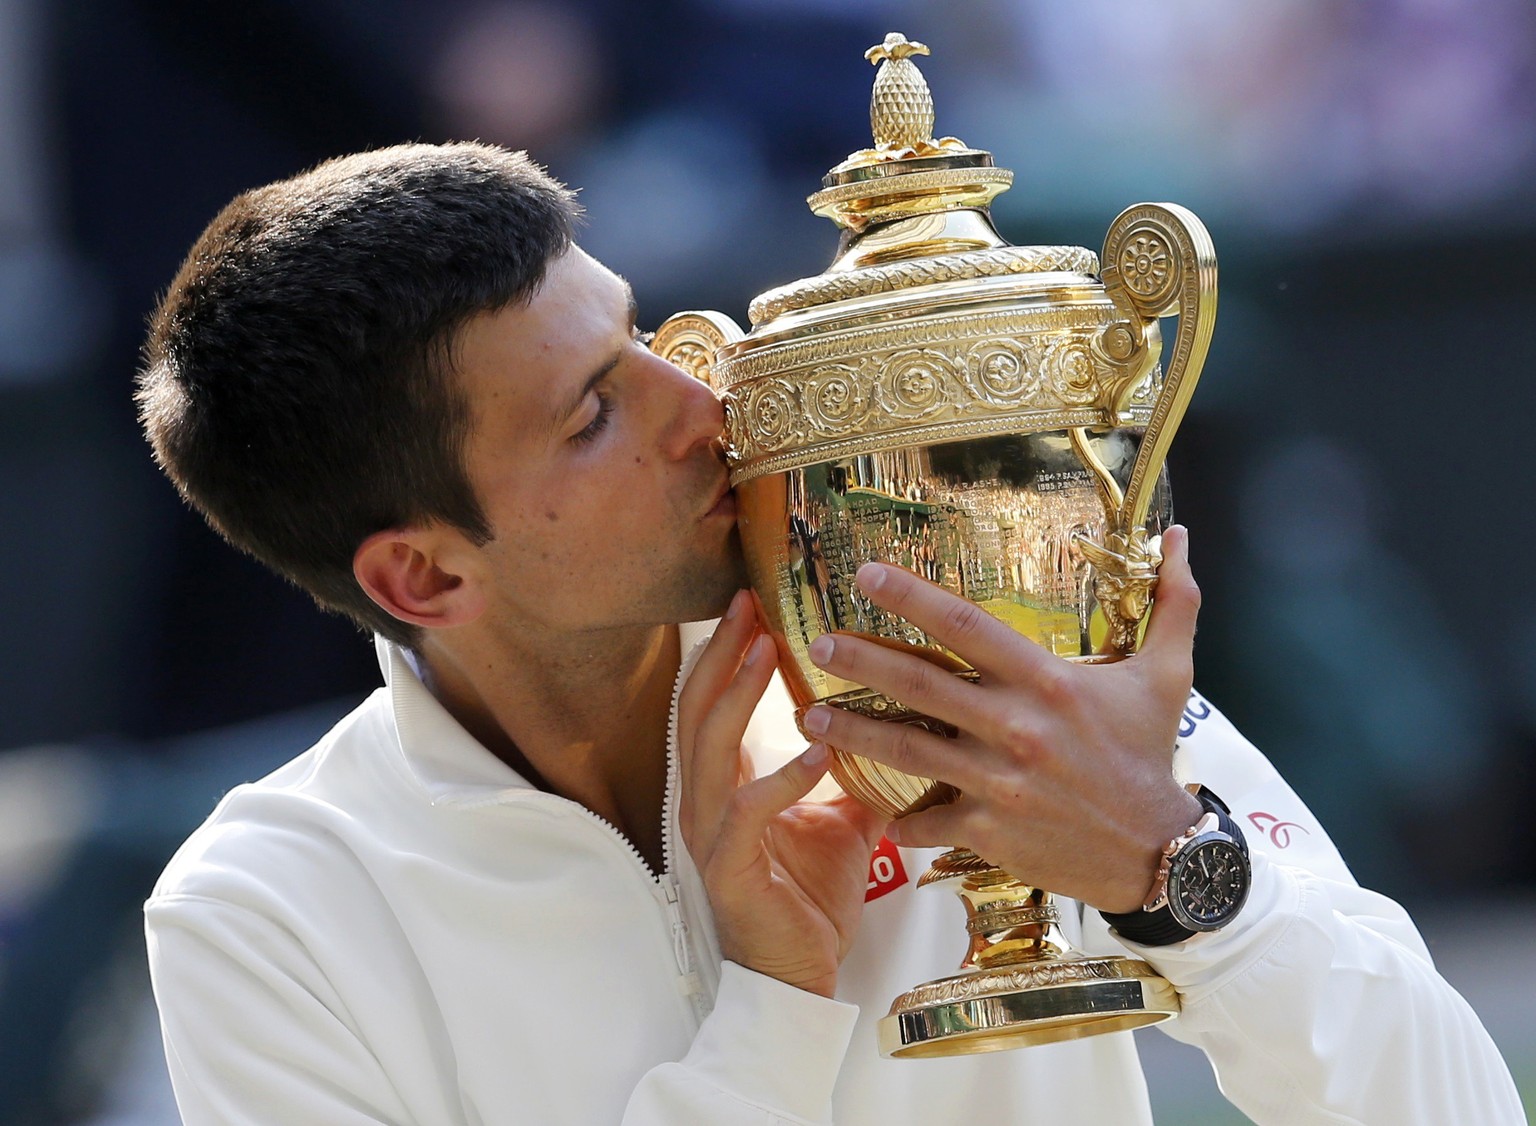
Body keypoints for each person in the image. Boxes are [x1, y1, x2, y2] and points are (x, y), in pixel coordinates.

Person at [136, 142, 1522, 1124]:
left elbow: (1450, 1103)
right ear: (423, 578)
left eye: (635, 337)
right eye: (592, 414)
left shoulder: (977, 648)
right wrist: (769, 1014)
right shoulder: (262, 915)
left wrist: (1177, 869)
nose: (703, 401)